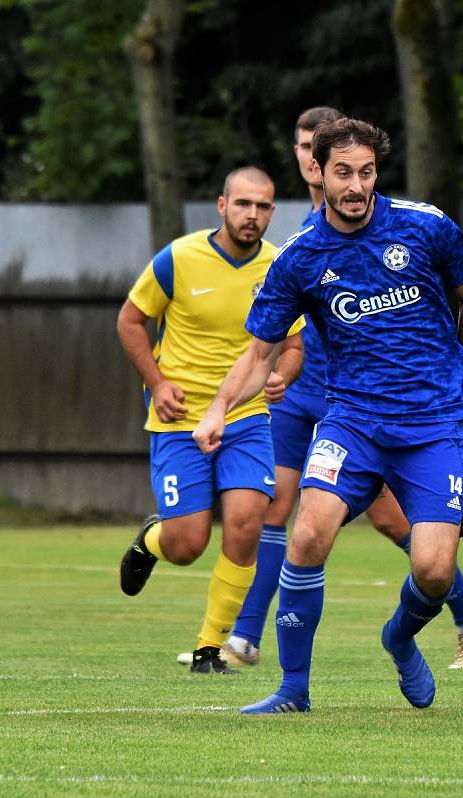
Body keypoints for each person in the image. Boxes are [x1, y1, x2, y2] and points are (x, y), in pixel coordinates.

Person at [193, 118, 463, 713]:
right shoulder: (300, 258)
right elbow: (260, 352)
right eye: (343, 173)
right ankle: (292, 690)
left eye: (366, 172)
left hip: (434, 422)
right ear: (319, 173)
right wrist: (220, 407)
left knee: (433, 569)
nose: (356, 185)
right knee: (306, 533)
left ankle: (399, 638)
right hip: (351, 420)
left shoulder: (423, 224)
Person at [117, 166, 304, 675]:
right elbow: (131, 321)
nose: (253, 215)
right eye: (243, 204)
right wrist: (157, 383)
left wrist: (282, 376)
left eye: (263, 206)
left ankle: (209, 647)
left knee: (246, 525)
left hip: (246, 418)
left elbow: (292, 346)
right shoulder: (178, 258)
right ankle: (151, 540)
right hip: (179, 421)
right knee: (187, 544)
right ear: (221, 206)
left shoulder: (280, 267)